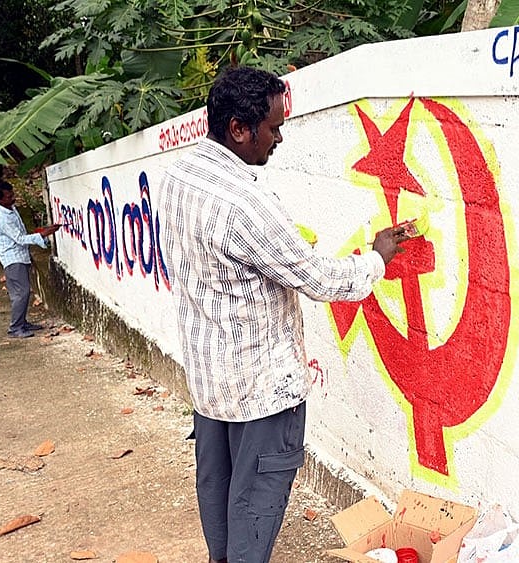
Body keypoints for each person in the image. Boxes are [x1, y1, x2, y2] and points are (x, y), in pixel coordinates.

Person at [156, 66, 409, 563]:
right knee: (252, 521)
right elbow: (317, 278)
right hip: (261, 394)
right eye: (272, 127)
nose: (278, 137)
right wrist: (378, 257)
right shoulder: (244, 202)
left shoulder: (180, 175)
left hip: (211, 391)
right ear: (238, 128)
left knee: (221, 514)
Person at [0, 181, 60, 338]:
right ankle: (15, 328)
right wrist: (44, 234)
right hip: (13, 259)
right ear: (0, 200)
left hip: (19, 256)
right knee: (21, 293)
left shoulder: (10, 209)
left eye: (12, 194)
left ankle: (21, 322)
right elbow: (20, 239)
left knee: (23, 292)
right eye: (9, 197)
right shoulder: (2, 218)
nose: (13, 198)